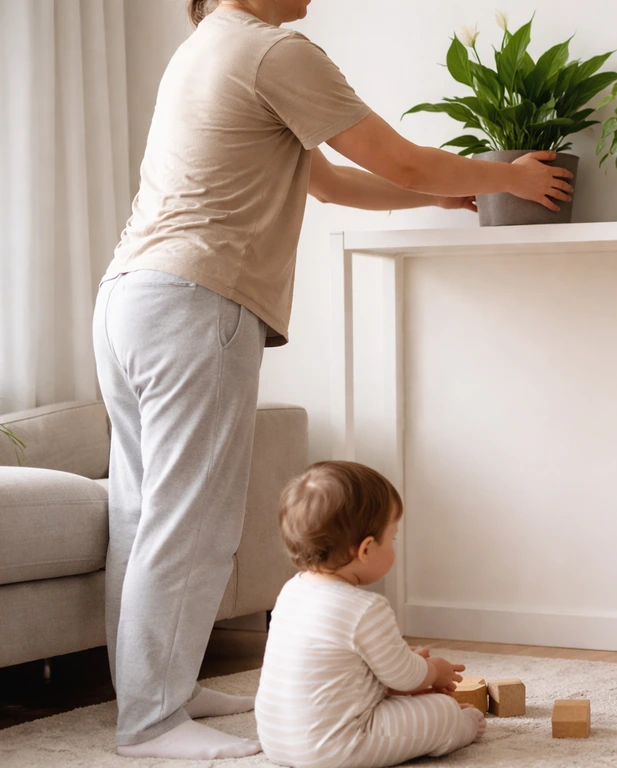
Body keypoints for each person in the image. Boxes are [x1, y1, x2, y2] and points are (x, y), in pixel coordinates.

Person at [92, 0, 572, 759]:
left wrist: (439, 193)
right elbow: (399, 159)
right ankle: (150, 721)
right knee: (190, 522)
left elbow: (325, 182)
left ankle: (155, 694)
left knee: (142, 511)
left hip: (131, 296)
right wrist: (506, 174)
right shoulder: (273, 52)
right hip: (196, 298)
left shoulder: (207, 49)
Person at [256, 462, 483, 768]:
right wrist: (433, 670)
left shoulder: (291, 592)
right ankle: (461, 727)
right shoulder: (365, 608)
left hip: (277, 741)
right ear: (365, 550)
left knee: (398, 702)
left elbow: (339, 669)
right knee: (442, 710)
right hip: (339, 748)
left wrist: (398, 661)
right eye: (392, 538)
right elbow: (405, 676)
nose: (394, 546)